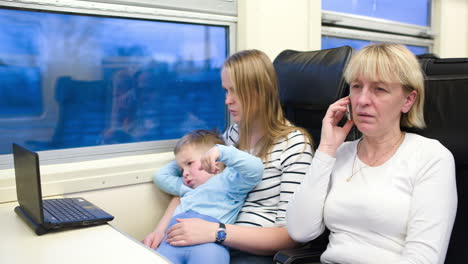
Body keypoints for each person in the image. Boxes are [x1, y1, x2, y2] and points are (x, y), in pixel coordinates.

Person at [287, 43, 457, 264]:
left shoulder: (431, 157)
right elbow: (300, 231)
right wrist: (326, 149)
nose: (362, 100)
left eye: (379, 89)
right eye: (357, 86)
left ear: (408, 100)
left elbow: (423, 260)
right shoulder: (340, 152)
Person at [146, 49, 314, 263]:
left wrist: (216, 232)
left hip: (252, 252)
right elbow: (192, 189)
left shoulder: (295, 145)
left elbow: (290, 236)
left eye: (235, 92)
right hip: (214, 237)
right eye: (226, 91)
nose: (227, 101)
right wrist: (162, 231)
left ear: (259, 91)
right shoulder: (234, 134)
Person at [143, 129, 263, 264]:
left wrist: (221, 152)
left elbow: (256, 169)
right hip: (172, 240)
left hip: (208, 242)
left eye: (189, 164)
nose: (184, 174)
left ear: (215, 160)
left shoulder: (230, 181)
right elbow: (160, 177)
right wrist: (182, 161)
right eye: (181, 170)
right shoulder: (186, 188)